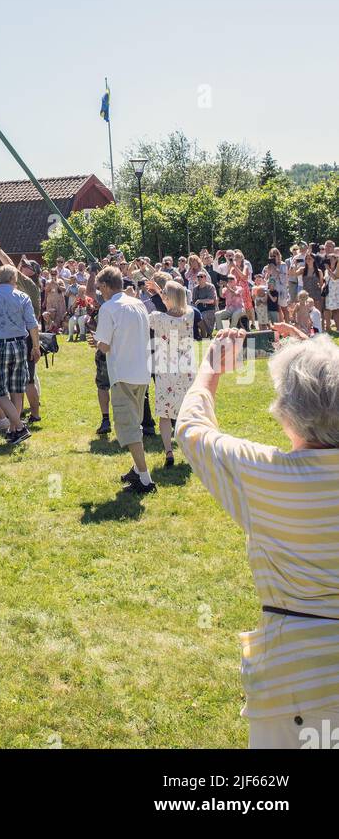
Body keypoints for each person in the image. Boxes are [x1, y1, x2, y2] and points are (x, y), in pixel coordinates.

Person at [176, 328, 339, 748]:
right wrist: (322, 360)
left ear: (286, 410)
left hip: (294, 687)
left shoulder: (267, 475)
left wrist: (211, 368)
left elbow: (191, 429)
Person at [88, 266, 155, 494]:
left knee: (128, 428)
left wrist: (95, 341)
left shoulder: (109, 308)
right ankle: (137, 470)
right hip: (142, 371)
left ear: (106, 286)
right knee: (134, 423)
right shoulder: (138, 303)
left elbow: (104, 345)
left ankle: (145, 480)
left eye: (99, 288)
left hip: (123, 373)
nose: (99, 292)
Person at [0, 264, 39, 446]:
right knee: (16, 388)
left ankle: (17, 427)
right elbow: (32, 323)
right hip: (20, 344)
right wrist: (35, 346)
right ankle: (15, 429)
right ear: (14, 279)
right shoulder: (22, 296)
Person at [149, 279, 195, 467]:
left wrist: (158, 293)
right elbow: (175, 303)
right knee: (189, 411)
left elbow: (155, 314)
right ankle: (192, 449)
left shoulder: (157, 318)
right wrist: (161, 292)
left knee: (165, 413)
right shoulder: (190, 315)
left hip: (166, 368)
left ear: (167, 298)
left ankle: (169, 450)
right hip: (186, 367)